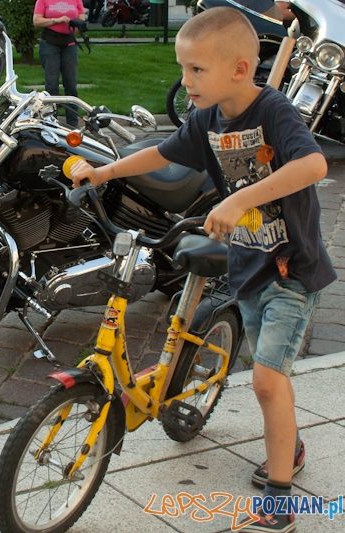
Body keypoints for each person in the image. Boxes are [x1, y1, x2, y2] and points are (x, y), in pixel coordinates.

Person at [69, 7, 334, 533]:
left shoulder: (274, 111)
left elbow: (313, 165)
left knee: (265, 380)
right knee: (268, 373)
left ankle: (280, 505)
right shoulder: (207, 119)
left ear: (239, 69)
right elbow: (160, 154)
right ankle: (292, 446)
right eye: (183, 69)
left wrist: (241, 202)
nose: (185, 81)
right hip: (249, 268)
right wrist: (103, 171)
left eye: (196, 70)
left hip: (290, 271)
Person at [32, 0, 86, 128]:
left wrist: (78, 25)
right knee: (51, 86)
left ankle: (73, 124)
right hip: (50, 43)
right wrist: (56, 20)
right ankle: (51, 122)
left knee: (71, 86)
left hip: (69, 44)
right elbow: (37, 21)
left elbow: (81, 22)